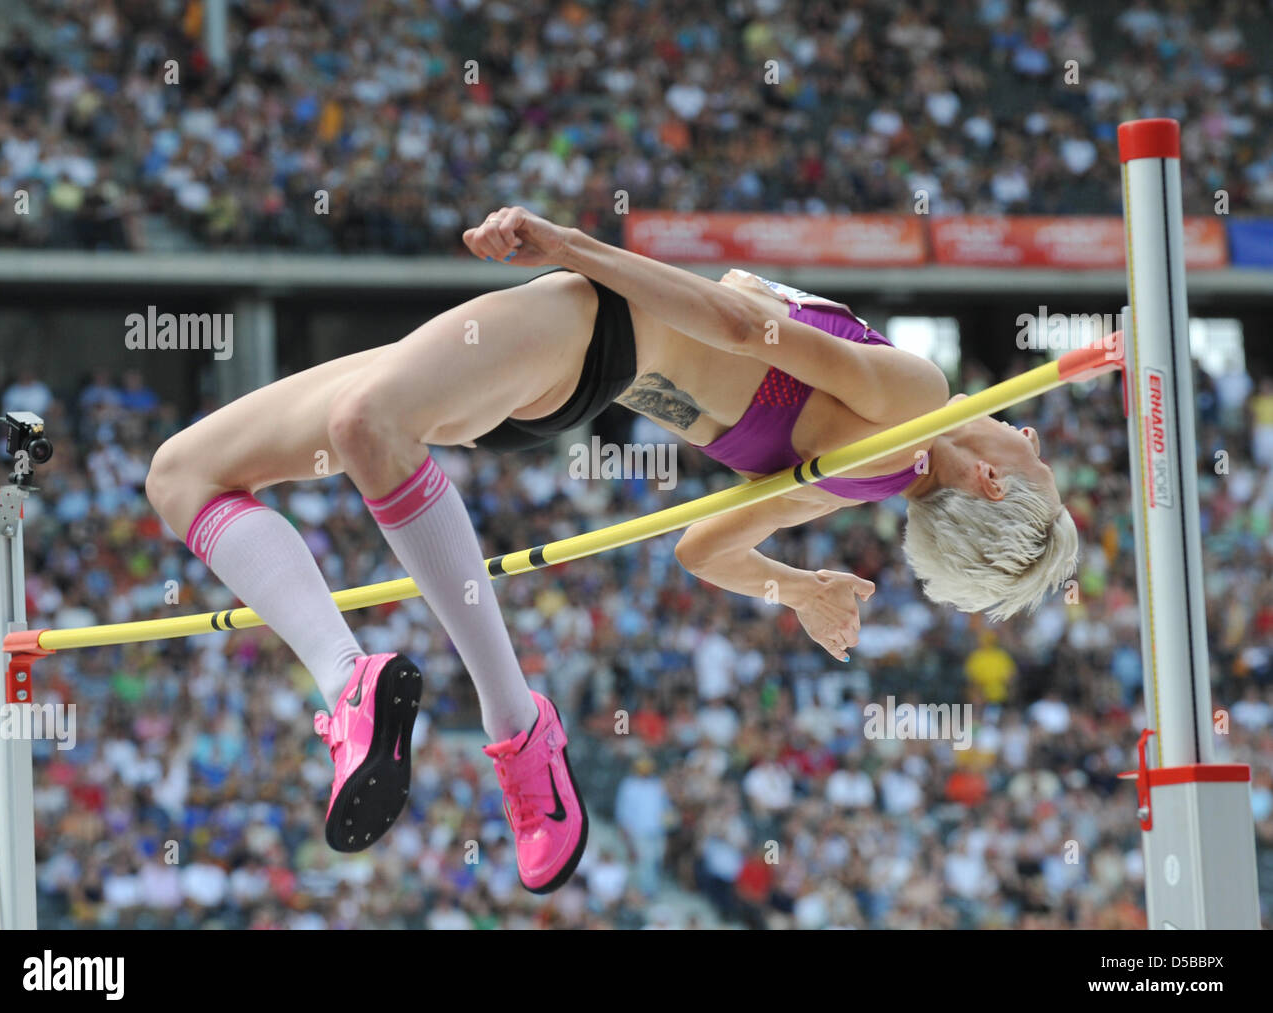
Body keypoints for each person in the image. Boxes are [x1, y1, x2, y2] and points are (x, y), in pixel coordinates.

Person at [143, 206, 1077, 893]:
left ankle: (517, 728)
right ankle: (346, 680)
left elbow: (741, 325)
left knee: (364, 422)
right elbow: (703, 549)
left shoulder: (918, 399)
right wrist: (791, 588)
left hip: (587, 328)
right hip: (560, 365)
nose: (1030, 441)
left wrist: (575, 246)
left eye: (1037, 464)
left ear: (995, 486)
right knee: (183, 474)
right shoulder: (857, 475)